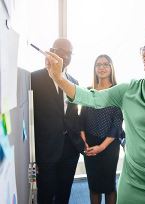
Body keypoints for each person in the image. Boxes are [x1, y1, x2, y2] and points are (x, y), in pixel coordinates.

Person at [46, 24, 145, 204]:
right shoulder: (129, 90)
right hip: (134, 181)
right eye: (144, 49)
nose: (144, 53)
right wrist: (59, 79)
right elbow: (91, 98)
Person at [31, 38, 84, 204]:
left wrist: (80, 141)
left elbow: (73, 115)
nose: (66, 56)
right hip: (46, 149)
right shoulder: (35, 78)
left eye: (69, 53)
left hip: (70, 149)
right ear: (51, 50)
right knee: (45, 194)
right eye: (61, 51)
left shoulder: (74, 82)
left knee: (64, 193)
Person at [80, 54, 124, 204]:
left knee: (109, 186)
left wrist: (102, 147)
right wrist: (83, 141)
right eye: (98, 64)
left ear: (111, 68)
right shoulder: (88, 90)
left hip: (110, 145)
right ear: (94, 68)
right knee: (94, 186)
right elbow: (82, 118)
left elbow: (117, 123)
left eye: (106, 64)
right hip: (90, 144)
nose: (102, 67)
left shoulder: (118, 91)